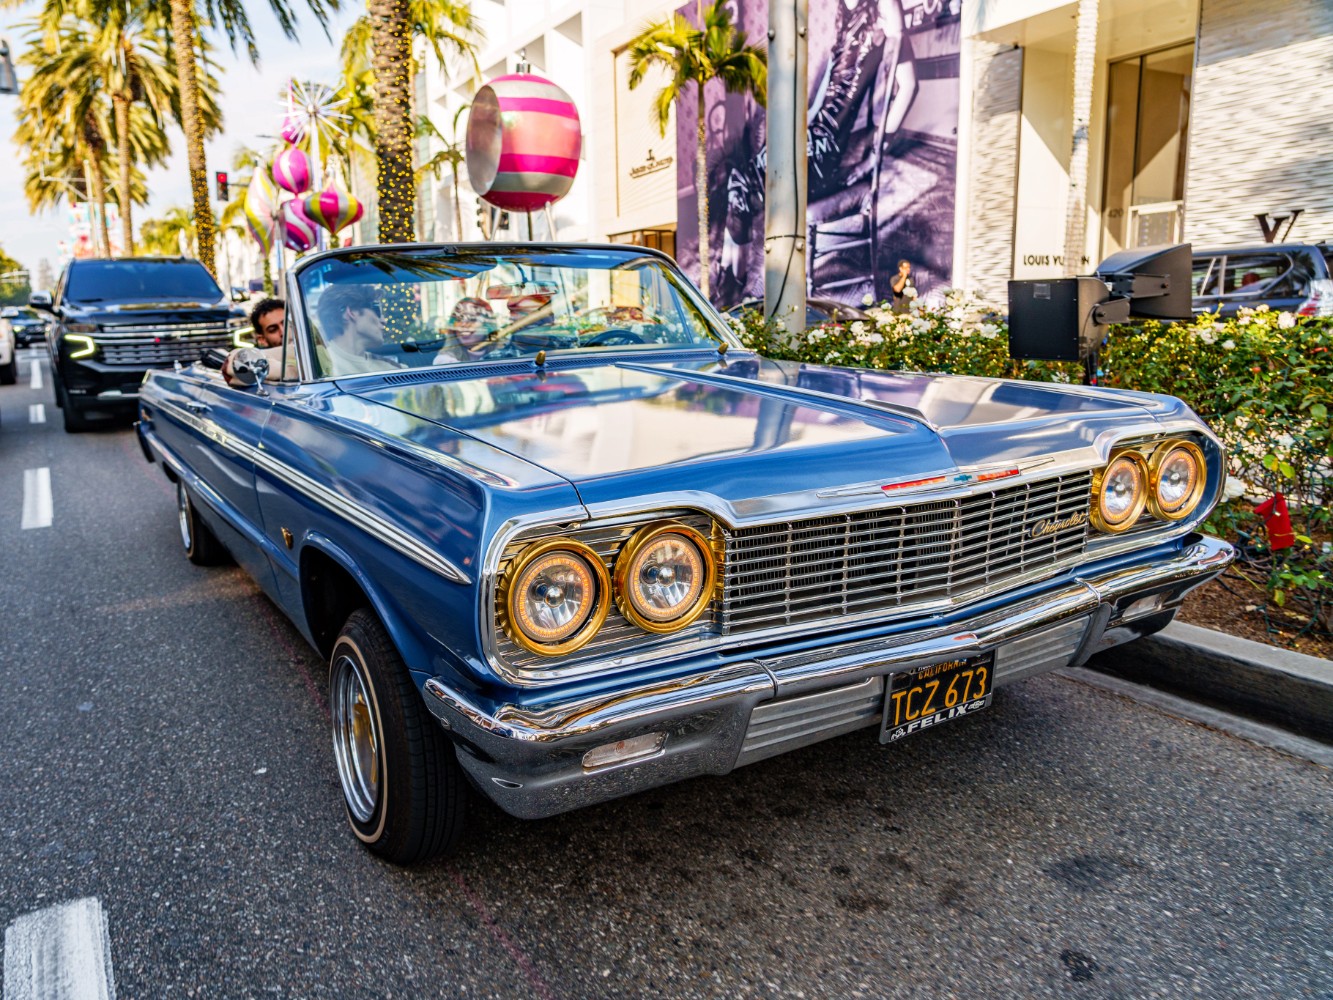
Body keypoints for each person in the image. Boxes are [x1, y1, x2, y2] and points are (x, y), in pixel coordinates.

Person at [312, 284, 398, 376]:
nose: (384, 321)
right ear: (351, 312)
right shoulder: (318, 367)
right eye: (377, 311)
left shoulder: (392, 367)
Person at [221, 297, 288, 385]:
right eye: (273, 329)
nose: (283, 332)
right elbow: (231, 365)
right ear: (262, 339)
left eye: (287, 324)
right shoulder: (260, 358)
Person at [433, 297, 499, 364]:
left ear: (488, 326)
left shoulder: (504, 355)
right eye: (459, 319)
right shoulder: (444, 361)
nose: (463, 324)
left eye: (472, 319)